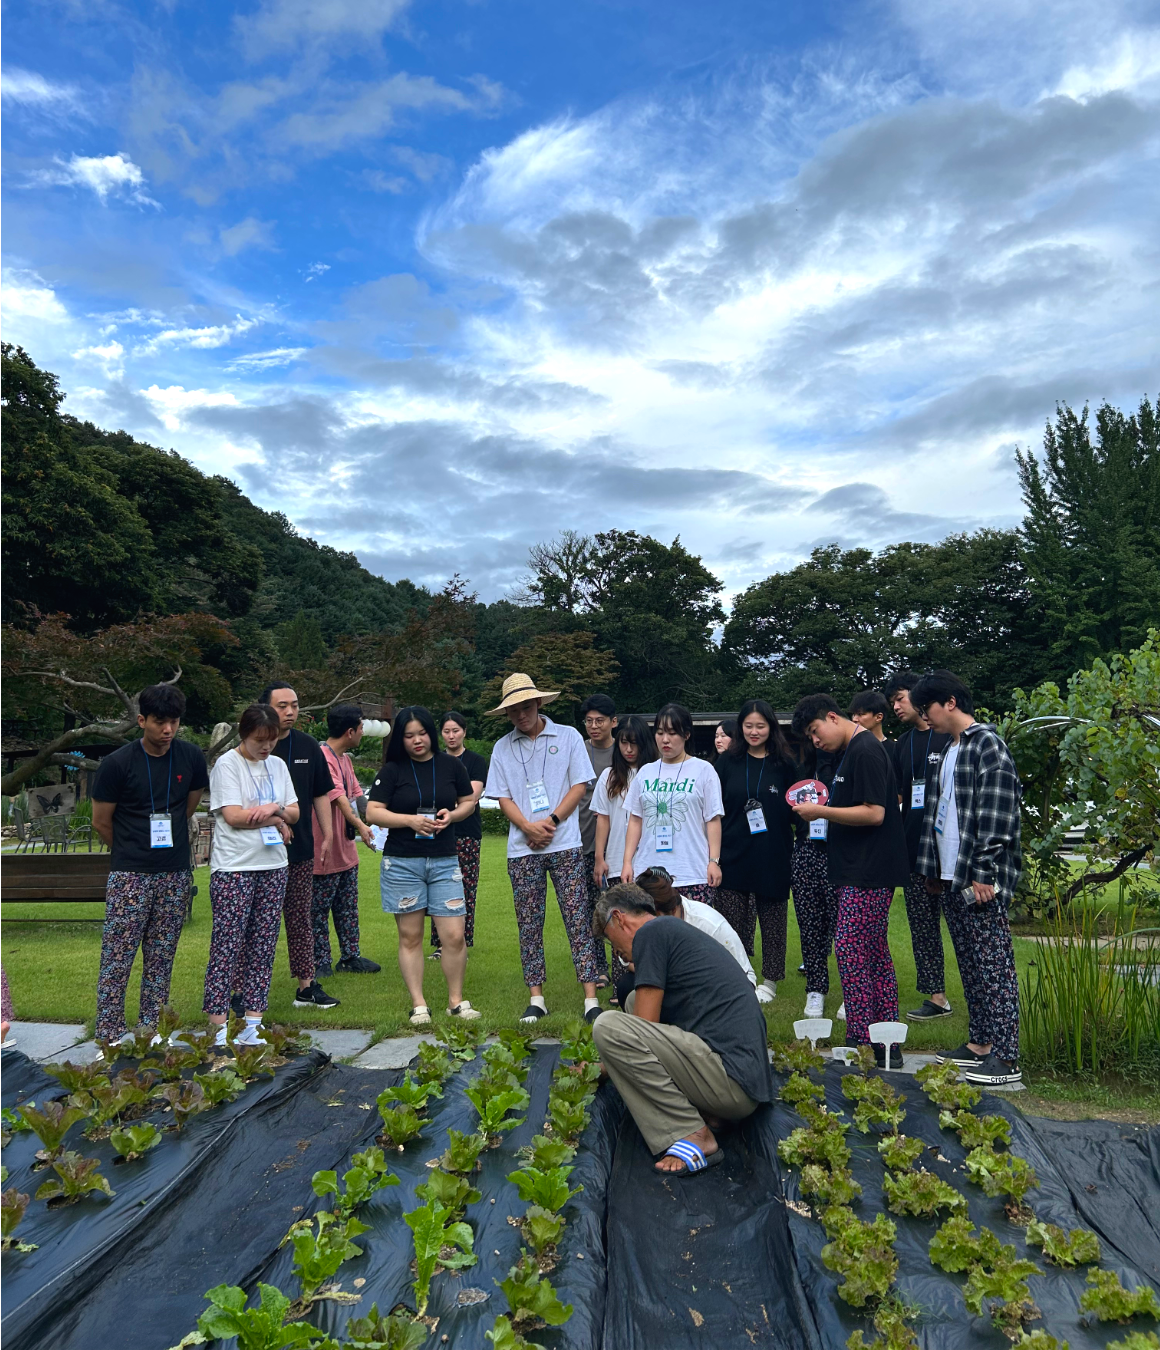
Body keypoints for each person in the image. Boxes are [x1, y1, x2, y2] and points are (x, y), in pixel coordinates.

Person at [591, 884, 773, 1175]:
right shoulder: (670, 929)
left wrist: (603, 1067)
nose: (618, 953)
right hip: (747, 1082)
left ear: (619, 918)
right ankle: (710, 1114)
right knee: (634, 1000)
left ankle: (694, 1132)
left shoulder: (651, 933)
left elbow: (642, 1029)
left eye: (611, 941)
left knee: (608, 1027)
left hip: (732, 1083)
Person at [912, 671, 1023, 1087]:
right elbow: (940, 815)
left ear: (951, 703)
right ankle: (980, 1044)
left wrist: (984, 872)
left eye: (927, 708)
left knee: (995, 969)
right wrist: (934, 871)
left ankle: (1007, 1057)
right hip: (952, 876)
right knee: (972, 966)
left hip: (980, 880)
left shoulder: (986, 744)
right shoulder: (949, 748)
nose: (925, 717)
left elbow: (998, 812)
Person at [790, 694, 909, 1069]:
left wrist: (820, 811)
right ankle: (886, 1042)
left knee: (849, 947)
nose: (815, 741)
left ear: (832, 717)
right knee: (873, 952)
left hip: (869, 871)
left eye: (815, 731)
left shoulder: (866, 750)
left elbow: (875, 813)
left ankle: (860, 1038)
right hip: (855, 869)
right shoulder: (849, 752)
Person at [90, 683, 209, 1045]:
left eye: (174, 722)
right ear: (142, 720)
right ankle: (109, 1035)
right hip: (130, 875)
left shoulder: (191, 757)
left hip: (174, 872)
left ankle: (151, 1030)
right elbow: (100, 821)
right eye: (159, 722)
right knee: (117, 956)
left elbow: (188, 806)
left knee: (161, 956)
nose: (167, 729)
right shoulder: (117, 763)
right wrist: (131, 850)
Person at [484, 673, 602, 1024]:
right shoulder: (502, 747)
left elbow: (579, 785)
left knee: (578, 919)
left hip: (565, 843)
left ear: (538, 703)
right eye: (513, 710)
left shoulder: (568, 736)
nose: (521, 715)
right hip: (522, 850)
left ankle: (591, 998)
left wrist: (549, 822)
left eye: (525, 707)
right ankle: (536, 998)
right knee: (529, 925)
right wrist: (527, 827)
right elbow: (502, 797)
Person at [366, 705, 480, 1024]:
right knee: (411, 936)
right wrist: (409, 821)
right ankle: (419, 1004)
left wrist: (452, 816)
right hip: (403, 862)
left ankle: (456, 1001)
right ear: (400, 739)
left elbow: (468, 802)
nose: (417, 741)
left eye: (422, 734)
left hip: (444, 860)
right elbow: (373, 812)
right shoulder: (392, 770)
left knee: (454, 935)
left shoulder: (451, 765)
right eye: (408, 736)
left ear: (431, 733)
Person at [204, 703, 299, 1047]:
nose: (266, 746)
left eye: (272, 739)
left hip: (273, 866)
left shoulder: (278, 765)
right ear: (244, 734)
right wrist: (277, 818)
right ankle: (217, 1026)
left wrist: (276, 810)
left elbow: (295, 811)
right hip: (235, 868)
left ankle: (253, 1023)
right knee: (227, 945)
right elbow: (234, 816)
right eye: (260, 739)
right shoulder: (227, 765)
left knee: (264, 944)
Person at [255, 683, 341, 1010]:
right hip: (258, 852)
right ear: (265, 708)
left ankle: (306, 986)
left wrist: (327, 834)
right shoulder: (253, 746)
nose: (290, 712)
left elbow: (320, 792)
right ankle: (242, 990)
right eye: (282, 706)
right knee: (255, 923)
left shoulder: (308, 746)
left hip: (300, 849)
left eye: (294, 705)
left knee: (300, 918)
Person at [714, 699, 796, 1005]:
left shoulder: (784, 763)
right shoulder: (727, 762)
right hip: (732, 853)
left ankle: (771, 980)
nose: (754, 732)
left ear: (771, 727)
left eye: (760, 726)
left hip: (773, 854)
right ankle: (737, 976)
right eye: (748, 726)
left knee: (773, 922)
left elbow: (799, 809)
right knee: (731, 922)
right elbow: (714, 809)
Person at [885, 672, 953, 1021]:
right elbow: (900, 794)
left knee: (961, 926)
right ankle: (937, 997)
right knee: (923, 926)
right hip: (914, 846)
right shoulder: (903, 744)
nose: (896, 707)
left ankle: (980, 994)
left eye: (900, 699)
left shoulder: (949, 737)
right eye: (892, 702)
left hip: (949, 848)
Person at [622, 703, 723, 906]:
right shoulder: (645, 772)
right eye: (660, 733)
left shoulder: (704, 770)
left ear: (686, 735)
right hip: (649, 873)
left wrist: (714, 861)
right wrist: (627, 862)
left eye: (672, 733)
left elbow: (712, 819)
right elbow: (635, 820)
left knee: (692, 926)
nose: (665, 739)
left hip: (693, 872)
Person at [592, 715, 657, 1004]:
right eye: (623, 743)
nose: (629, 749)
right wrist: (600, 857)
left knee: (648, 923)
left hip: (649, 860)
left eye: (634, 743)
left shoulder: (655, 774)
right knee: (619, 924)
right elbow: (603, 819)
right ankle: (621, 988)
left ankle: (650, 982)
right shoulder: (609, 776)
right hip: (618, 858)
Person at [312, 704, 379, 981]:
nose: (363, 732)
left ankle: (350, 957)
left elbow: (357, 796)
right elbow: (338, 799)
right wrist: (361, 826)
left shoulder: (346, 759)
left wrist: (377, 819)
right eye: (361, 728)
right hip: (325, 849)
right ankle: (320, 962)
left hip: (346, 850)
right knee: (317, 910)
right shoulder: (322, 757)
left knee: (348, 907)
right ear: (350, 731)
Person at [788, 733, 840, 1020]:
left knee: (844, 927)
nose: (818, 741)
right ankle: (815, 989)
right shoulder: (800, 770)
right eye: (811, 736)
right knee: (809, 924)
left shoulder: (845, 764)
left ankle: (852, 989)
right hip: (806, 850)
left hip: (838, 852)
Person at [636, 865, 757, 986]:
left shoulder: (708, 924)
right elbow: (635, 963)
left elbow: (744, 976)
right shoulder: (643, 918)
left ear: (672, 910)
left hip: (727, 983)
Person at [429, 711, 489, 955]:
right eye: (446, 731)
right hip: (437, 831)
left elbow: (471, 797)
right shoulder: (433, 760)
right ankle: (440, 943)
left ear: (464, 732)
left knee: (465, 887)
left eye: (455, 730)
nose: (451, 736)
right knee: (437, 887)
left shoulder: (475, 761)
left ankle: (461, 941)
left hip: (466, 833)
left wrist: (448, 801)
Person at [577, 693, 618, 988]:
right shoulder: (578, 750)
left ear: (613, 722)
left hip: (615, 843)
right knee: (587, 908)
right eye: (589, 721)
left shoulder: (623, 750)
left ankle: (624, 963)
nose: (594, 726)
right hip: (580, 839)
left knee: (615, 906)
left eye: (600, 721)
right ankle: (598, 967)